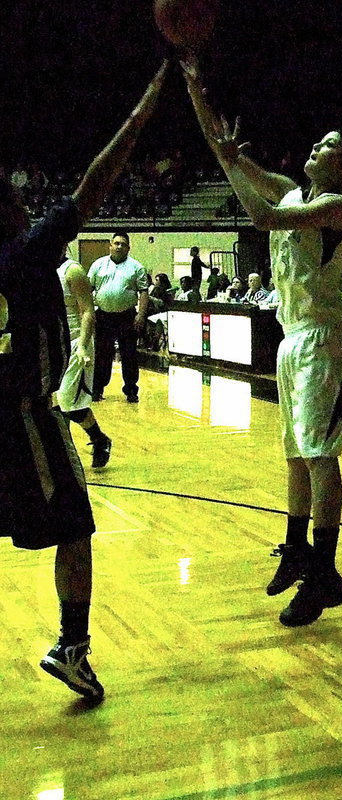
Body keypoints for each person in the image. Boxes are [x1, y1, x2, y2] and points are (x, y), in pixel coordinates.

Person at [182, 56, 342, 627]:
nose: (316, 150)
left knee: (321, 457)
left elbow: (266, 217)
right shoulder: (295, 191)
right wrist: (196, 87)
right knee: (295, 454)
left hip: (322, 340)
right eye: (318, 144)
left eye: (328, 147)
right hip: (291, 338)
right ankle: (298, 548)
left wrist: (234, 172)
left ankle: (325, 569)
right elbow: (227, 155)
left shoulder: (339, 207)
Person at [0, 61, 167, 700]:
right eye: (17, 202)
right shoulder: (27, 249)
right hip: (23, 413)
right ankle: (73, 647)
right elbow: (97, 179)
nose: (26, 208)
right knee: (75, 526)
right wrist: (145, 108)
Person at [56, 255, 112, 469]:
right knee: (60, 404)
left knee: (65, 402)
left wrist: (82, 345)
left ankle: (65, 457)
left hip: (76, 341)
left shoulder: (73, 271)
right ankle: (99, 440)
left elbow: (88, 311)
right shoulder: (40, 269)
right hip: (53, 341)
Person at [88, 231, 149, 403]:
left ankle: (131, 390)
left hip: (127, 317)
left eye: (123, 244)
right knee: (102, 354)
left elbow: (144, 292)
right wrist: (88, 313)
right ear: (110, 245)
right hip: (103, 317)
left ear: (128, 248)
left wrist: (141, 316)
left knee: (129, 354)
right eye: (116, 243)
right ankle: (97, 388)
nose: (119, 246)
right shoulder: (98, 265)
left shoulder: (136, 267)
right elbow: (88, 289)